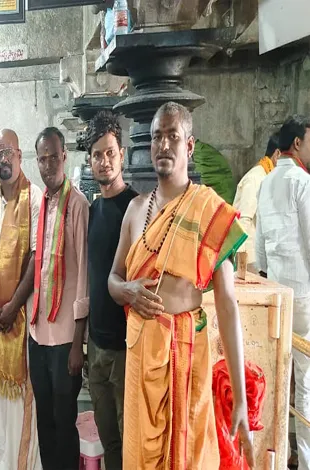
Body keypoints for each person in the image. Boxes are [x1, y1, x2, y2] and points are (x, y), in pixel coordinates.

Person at [108, 102, 254, 469]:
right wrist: (128, 291)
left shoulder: (208, 210)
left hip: (185, 360)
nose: (163, 145)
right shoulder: (135, 210)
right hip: (141, 355)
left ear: (188, 146)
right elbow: (113, 280)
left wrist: (240, 400)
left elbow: (227, 305)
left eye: (173, 136)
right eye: (157, 136)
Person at [0, 128, 43, 470]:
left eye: (8, 152)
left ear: (19, 155)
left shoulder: (34, 198)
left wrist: (13, 306)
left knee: (22, 400)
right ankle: (3, 463)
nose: (3, 159)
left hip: (23, 318)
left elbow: (35, 257)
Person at [30, 127, 89, 469]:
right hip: (38, 334)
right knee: (44, 419)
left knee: (64, 421)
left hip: (66, 337)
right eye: (42, 158)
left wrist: (78, 343)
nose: (48, 164)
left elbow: (83, 277)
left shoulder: (78, 205)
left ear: (64, 156)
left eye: (54, 157)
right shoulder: (39, 204)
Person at [256, 114, 310, 470]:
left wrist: (270, 278)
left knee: (277, 379)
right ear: (297, 144)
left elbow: (260, 248)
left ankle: (272, 457)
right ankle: (305, 461)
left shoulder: (266, 182)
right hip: (304, 296)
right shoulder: (302, 183)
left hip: (276, 295)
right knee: (305, 383)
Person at [85, 110, 137, 470]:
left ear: (122, 154)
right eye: (97, 155)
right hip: (97, 344)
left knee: (129, 436)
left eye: (110, 153)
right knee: (108, 439)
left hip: (125, 346)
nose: (104, 161)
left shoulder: (136, 208)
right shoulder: (93, 209)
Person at [233, 131, 281, 274]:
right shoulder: (255, 178)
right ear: (277, 154)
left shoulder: (267, 176)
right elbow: (244, 220)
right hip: (250, 259)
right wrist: (243, 262)